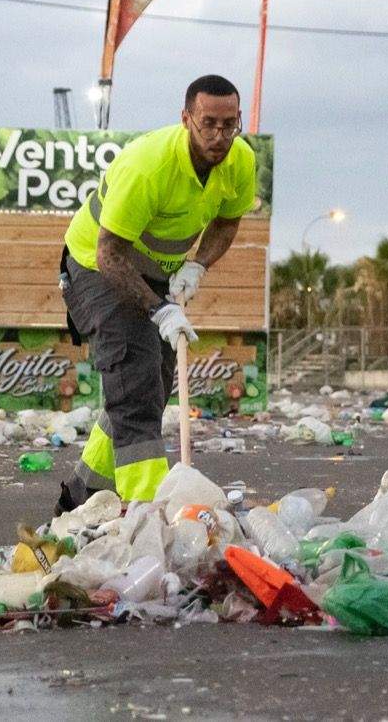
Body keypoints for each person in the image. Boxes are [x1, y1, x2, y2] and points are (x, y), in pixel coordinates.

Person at [55, 75, 256, 511]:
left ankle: (80, 497)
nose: (219, 136)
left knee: (153, 385)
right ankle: (146, 511)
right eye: (208, 123)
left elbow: (228, 220)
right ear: (186, 118)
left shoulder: (240, 161)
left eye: (230, 124)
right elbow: (110, 254)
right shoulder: (147, 166)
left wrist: (198, 264)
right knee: (135, 376)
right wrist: (161, 311)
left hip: (157, 272)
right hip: (96, 266)